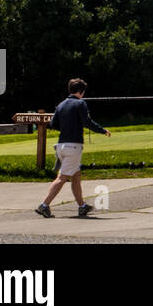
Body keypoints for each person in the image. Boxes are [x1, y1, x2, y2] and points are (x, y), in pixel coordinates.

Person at [34, 78, 111, 218]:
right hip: (73, 146)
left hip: (61, 145)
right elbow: (87, 122)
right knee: (62, 177)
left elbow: (53, 124)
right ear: (81, 91)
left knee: (75, 176)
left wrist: (66, 128)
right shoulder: (80, 103)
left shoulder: (61, 104)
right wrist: (102, 130)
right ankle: (44, 205)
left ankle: (82, 206)